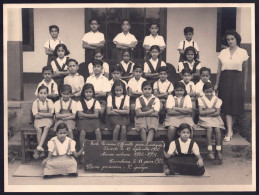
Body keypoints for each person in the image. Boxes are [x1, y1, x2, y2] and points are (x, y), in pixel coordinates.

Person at [214, 30, 249, 142]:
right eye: (228, 39)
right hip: (225, 79)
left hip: (237, 80)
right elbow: (219, 68)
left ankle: (230, 129)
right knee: (228, 106)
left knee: (234, 106)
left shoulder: (243, 52)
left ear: (236, 39)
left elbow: (245, 70)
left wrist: (244, 85)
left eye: (232, 39)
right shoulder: (223, 52)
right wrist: (216, 83)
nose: (230, 41)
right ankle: (229, 131)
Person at [198, 82, 225, 160]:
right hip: (204, 119)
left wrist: (207, 112)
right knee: (209, 128)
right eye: (207, 92)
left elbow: (218, 112)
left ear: (213, 91)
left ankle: (218, 150)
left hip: (215, 118)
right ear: (203, 91)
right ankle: (209, 150)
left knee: (217, 129)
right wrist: (212, 111)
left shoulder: (217, 100)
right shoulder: (201, 99)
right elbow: (200, 112)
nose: (209, 94)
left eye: (211, 92)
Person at [77, 83, 102, 150]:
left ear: (93, 92)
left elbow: (96, 115)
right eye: (86, 92)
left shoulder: (96, 102)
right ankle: (82, 150)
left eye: (90, 92)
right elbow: (79, 114)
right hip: (83, 121)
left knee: (97, 131)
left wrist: (84, 115)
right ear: (83, 92)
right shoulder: (80, 102)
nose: (88, 94)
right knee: (82, 132)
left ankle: (98, 149)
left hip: (94, 121)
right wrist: (91, 115)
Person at [32, 85, 54, 159]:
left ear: (47, 94)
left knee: (46, 127)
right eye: (41, 93)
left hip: (48, 120)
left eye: (45, 93)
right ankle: (40, 148)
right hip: (38, 120)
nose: (43, 95)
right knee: (38, 129)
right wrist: (46, 115)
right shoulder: (35, 102)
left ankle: (39, 147)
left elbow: (51, 114)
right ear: (38, 94)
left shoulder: (50, 102)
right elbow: (35, 116)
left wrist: (40, 113)